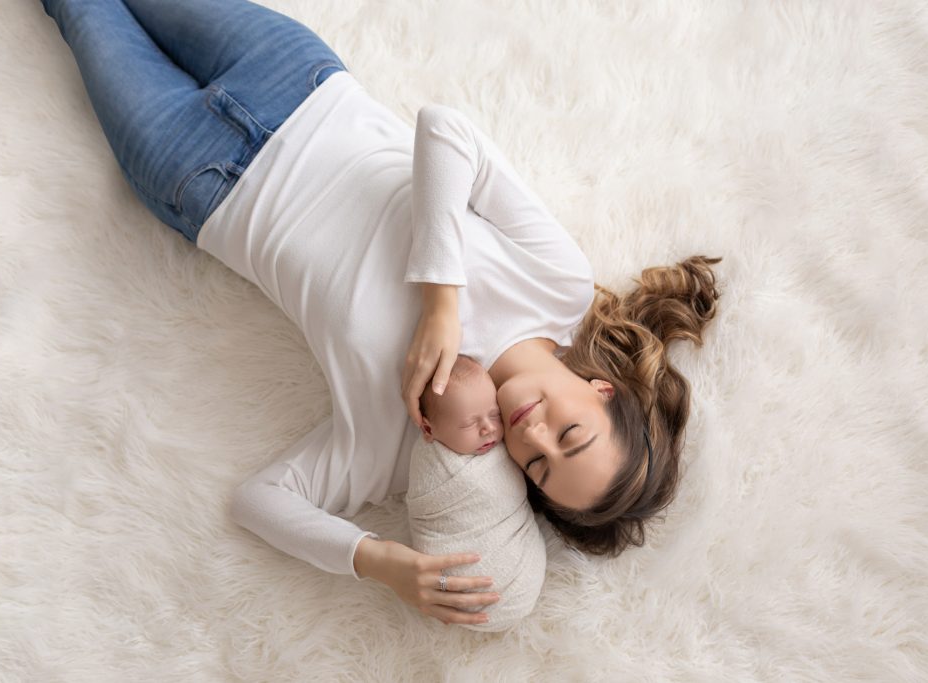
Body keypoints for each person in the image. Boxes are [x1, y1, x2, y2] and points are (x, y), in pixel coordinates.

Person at [40, 0, 723, 628]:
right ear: (601, 389)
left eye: (540, 467)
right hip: (298, 82)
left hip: (196, 176)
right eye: (569, 432)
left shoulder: (411, 438)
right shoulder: (556, 284)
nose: (533, 435)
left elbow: (259, 498)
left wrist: (381, 560)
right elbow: (446, 130)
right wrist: (440, 303)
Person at [406, 355, 547, 632]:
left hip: (519, 575)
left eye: (494, 414)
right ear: (428, 429)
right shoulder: (434, 465)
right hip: (456, 582)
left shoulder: (497, 442)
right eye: (469, 424)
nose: (489, 428)